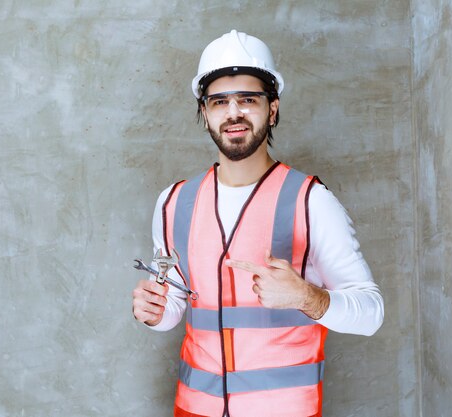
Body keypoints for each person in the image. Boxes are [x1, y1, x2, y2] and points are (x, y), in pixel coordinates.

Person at [132, 29, 384, 417]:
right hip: (193, 409)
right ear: (204, 112)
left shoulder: (311, 201)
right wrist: (154, 311)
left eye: (248, 99)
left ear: (273, 108)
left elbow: (371, 313)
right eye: (219, 102)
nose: (233, 113)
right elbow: (176, 304)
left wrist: (306, 297)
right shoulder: (173, 201)